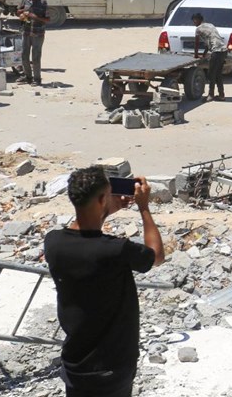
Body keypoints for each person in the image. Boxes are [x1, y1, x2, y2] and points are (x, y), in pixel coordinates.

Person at [45, 167, 164, 397]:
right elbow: (156, 255)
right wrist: (144, 207)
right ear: (101, 199)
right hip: (111, 368)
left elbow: (84, 233)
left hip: (76, 365)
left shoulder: (53, 243)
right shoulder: (115, 250)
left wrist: (105, 208)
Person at [17, 0, 49, 85]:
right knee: (24, 56)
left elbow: (47, 19)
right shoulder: (25, 0)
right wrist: (22, 13)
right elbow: (18, 11)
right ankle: (28, 77)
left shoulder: (43, 2)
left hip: (38, 34)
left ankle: (37, 79)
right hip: (26, 32)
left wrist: (35, 17)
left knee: (36, 57)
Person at [191, 12, 226, 101]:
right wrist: (203, 55)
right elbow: (209, 42)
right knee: (218, 74)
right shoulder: (210, 25)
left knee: (211, 74)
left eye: (195, 20)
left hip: (217, 52)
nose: (194, 22)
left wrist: (196, 55)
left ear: (199, 20)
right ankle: (221, 95)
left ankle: (211, 95)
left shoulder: (198, 29)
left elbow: (196, 43)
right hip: (224, 51)